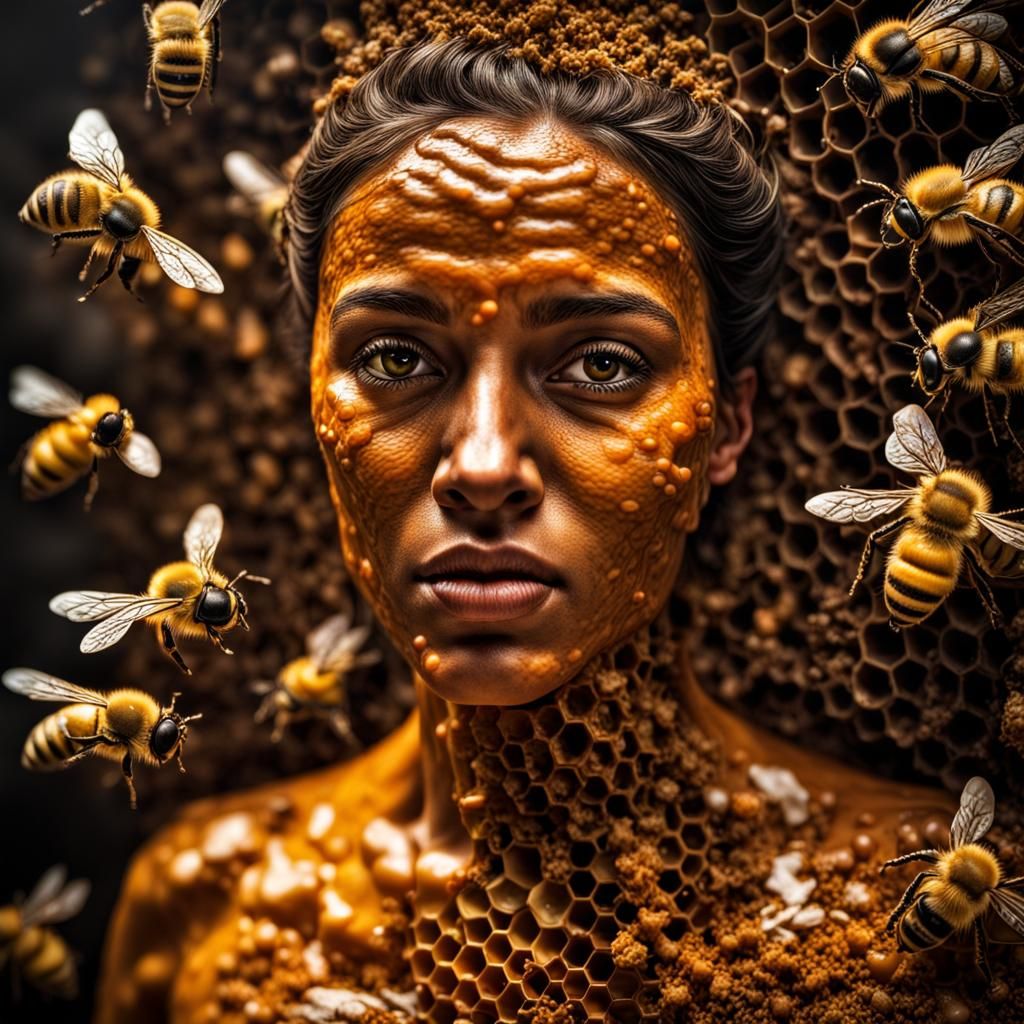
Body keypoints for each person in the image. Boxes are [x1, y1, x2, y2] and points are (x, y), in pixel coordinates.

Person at [96, 39, 959, 1024]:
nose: (484, 465)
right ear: (314, 411)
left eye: (599, 364)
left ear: (725, 424)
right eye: (393, 356)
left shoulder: (915, 919)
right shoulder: (204, 911)